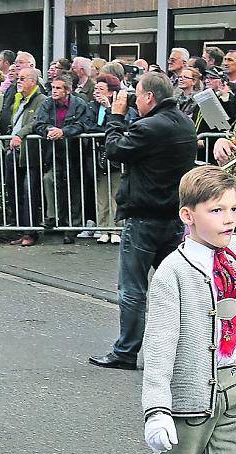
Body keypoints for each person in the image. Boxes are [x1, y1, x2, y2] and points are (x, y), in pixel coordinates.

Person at [127, 165, 236, 454]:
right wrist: (157, 409)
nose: (229, 219)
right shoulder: (174, 272)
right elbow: (158, 346)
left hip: (234, 396)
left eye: (234, 209)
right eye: (216, 210)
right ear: (188, 215)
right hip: (190, 403)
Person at [89, 72, 198, 370]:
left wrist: (115, 115)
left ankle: (126, 351)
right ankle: (182, 350)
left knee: (133, 289)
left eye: (138, 95)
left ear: (150, 97)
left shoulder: (149, 126)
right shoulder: (185, 123)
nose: (135, 100)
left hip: (144, 218)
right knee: (173, 287)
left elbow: (114, 150)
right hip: (173, 217)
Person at [34, 73, 90, 242]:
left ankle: (72, 227)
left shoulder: (79, 104)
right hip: (54, 152)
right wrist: (50, 130)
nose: (54, 91)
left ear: (68, 90)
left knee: (74, 189)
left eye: (58, 88)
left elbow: (83, 124)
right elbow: (38, 124)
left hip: (75, 152)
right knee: (49, 179)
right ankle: (52, 216)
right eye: (53, 87)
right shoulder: (47, 103)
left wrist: (64, 132)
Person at [86, 73, 136, 245]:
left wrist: (109, 109)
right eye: (96, 89)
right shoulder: (92, 107)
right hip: (98, 155)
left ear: (112, 92)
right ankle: (103, 228)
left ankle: (116, 228)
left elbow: (119, 126)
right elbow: (88, 126)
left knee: (116, 192)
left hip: (115, 157)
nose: (97, 93)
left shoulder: (122, 108)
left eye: (102, 89)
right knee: (101, 194)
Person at [5, 67, 45, 247]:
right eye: (18, 78)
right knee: (15, 191)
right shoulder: (18, 100)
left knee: (29, 192)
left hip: (30, 154)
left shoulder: (41, 100)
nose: (18, 82)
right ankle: (21, 230)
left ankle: (31, 232)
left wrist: (19, 135)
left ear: (33, 81)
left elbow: (35, 123)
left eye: (22, 78)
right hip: (14, 152)